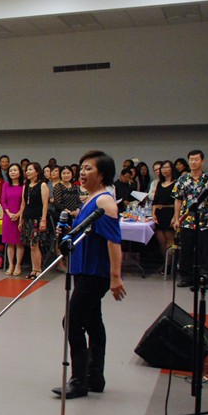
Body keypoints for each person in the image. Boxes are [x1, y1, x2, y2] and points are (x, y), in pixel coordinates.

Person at [52, 150, 125, 399]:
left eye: (88, 169)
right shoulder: (89, 199)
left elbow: (114, 241)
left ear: (102, 174)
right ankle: (95, 377)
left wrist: (115, 277)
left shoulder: (105, 202)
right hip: (83, 269)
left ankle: (79, 380)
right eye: (81, 168)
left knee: (71, 322)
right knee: (93, 322)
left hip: (95, 273)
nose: (82, 173)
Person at [171, 149, 208, 287]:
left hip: (204, 220)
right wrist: (176, 218)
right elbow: (178, 200)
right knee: (186, 250)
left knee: (204, 251)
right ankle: (186, 277)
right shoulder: (182, 179)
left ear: (202, 161)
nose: (193, 162)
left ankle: (204, 277)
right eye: (191, 160)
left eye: (196, 159)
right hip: (187, 220)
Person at [19, 162, 49, 279]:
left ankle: (38, 269)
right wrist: (21, 220)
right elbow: (23, 204)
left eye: (30, 169)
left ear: (37, 171)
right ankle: (33, 269)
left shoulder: (42, 185)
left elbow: (45, 204)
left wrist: (43, 219)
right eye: (27, 170)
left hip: (37, 218)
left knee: (35, 244)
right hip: (27, 218)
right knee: (31, 245)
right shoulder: (25, 186)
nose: (28, 172)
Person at [152, 160, 177, 269]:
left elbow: (178, 201)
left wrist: (175, 217)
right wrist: (153, 213)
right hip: (159, 213)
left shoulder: (176, 183)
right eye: (163, 168)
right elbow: (155, 201)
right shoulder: (159, 184)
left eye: (167, 167)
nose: (164, 170)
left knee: (169, 239)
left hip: (170, 212)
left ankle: (169, 265)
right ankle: (165, 261)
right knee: (161, 240)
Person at [1, 163, 25, 276]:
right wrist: (9, 213)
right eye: (10, 171)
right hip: (8, 216)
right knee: (10, 243)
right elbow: (3, 201)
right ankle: (10, 264)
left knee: (19, 243)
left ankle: (18, 265)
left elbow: (24, 202)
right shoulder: (5, 185)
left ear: (20, 172)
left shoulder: (24, 186)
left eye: (15, 170)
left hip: (20, 216)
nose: (12, 172)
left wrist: (19, 214)